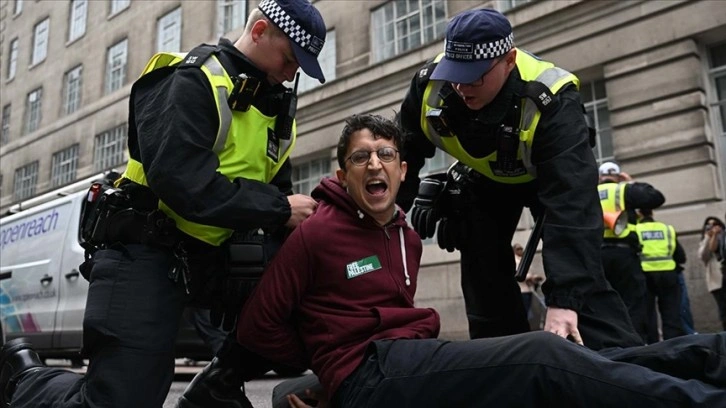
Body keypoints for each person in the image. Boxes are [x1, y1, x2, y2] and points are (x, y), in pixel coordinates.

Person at [235, 113, 726, 408]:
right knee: (542, 356)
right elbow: (259, 326)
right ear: (343, 175)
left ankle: (715, 354)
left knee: (586, 360)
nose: (375, 164)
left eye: (385, 154)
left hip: (407, 363)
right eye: (360, 158)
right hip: (369, 374)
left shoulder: (405, 235)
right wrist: (330, 372)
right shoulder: (317, 233)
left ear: (404, 170)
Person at [0, 1, 327, 407]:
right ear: (259, 31)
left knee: (302, 298)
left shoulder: (277, 112)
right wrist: (279, 209)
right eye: (291, 57)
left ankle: (215, 388)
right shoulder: (191, 79)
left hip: (210, 261)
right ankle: (24, 377)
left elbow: (277, 192)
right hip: (145, 251)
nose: (293, 71)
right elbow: (183, 182)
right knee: (120, 400)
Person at [397, 8, 640, 349]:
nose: (461, 87)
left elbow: (572, 201)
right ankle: (504, 363)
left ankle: (627, 366)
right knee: (482, 271)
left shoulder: (551, 99)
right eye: (455, 74)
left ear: (509, 60)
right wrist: (384, 219)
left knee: (581, 293)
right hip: (486, 183)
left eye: (475, 77)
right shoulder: (431, 86)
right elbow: (401, 155)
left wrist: (565, 300)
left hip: (547, 182)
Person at [598, 161, 665, 342]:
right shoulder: (623, 190)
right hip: (624, 256)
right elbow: (656, 198)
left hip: (597, 258)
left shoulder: (590, 192)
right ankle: (634, 346)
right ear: (618, 176)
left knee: (603, 304)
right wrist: (631, 183)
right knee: (633, 304)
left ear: (599, 177)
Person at [635, 208, 686, 341]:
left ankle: (654, 346)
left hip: (645, 275)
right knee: (672, 314)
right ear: (651, 213)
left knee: (648, 315)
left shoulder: (635, 230)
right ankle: (674, 345)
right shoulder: (667, 229)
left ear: (638, 213)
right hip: (668, 275)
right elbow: (681, 257)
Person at [699, 216, 726, 330]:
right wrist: (709, 237)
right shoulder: (705, 240)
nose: (713, 227)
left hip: (724, 275)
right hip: (717, 281)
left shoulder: (724, 237)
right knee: (724, 310)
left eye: (715, 224)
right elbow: (703, 256)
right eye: (709, 225)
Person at [513, 242, 544, 323]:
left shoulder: (522, 259)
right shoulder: (516, 261)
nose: (521, 250)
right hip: (522, 290)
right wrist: (532, 277)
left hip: (528, 289)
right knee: (524, 310)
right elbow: (519, 275)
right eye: (518, 249)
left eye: (521, 248)